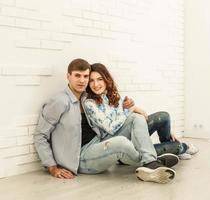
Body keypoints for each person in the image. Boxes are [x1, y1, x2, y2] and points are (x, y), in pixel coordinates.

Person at [34, 58, 178, 183]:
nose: (82, 80)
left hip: (99, 142)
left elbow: (112, 106)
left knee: (135, 118)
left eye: (85, 76)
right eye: (77, 76)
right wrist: (52, 167)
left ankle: (151, 162)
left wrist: (131, 106)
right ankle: (154, 161)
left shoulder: (85, 97)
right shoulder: (59, 101)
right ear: (68, 76)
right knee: (122, 143)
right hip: (81, 158)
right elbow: (40, 135)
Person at [82, 63, 179, 183]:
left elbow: (126, 116)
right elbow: (111, 128)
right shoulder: (89, 103)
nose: (96, 84)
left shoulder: (111, 96)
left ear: (107, 79)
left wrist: (131, 108)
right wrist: (130, 110)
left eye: (100, 79)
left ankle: (151, 161)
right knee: (175, 146)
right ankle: (159, 158)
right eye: (91, 81)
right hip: (108, 142)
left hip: (123, 136)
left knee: (145, 117)